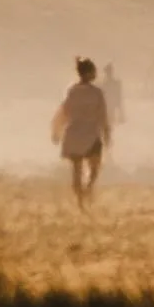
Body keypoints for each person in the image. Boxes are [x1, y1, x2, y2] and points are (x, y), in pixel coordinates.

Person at [54, 57, 110, 209]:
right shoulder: (96, 93)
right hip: (91, 134)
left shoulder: (72, 91)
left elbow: (64, 112)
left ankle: (80, 202)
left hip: (73, 133)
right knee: (94, 168)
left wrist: (56, 130)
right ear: (88, 73)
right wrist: (107, 134)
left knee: (77, 171)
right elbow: (103, 115)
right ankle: (88, 189)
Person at [100, 63, 126, 129]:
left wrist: (121, 112)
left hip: (110, 107)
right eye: (107, 72)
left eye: (109, 71)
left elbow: (119, 97)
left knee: (110, 124)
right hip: (106, 107)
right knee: (109, 124)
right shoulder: (104, 83)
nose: (108, 73)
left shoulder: (114, 83)